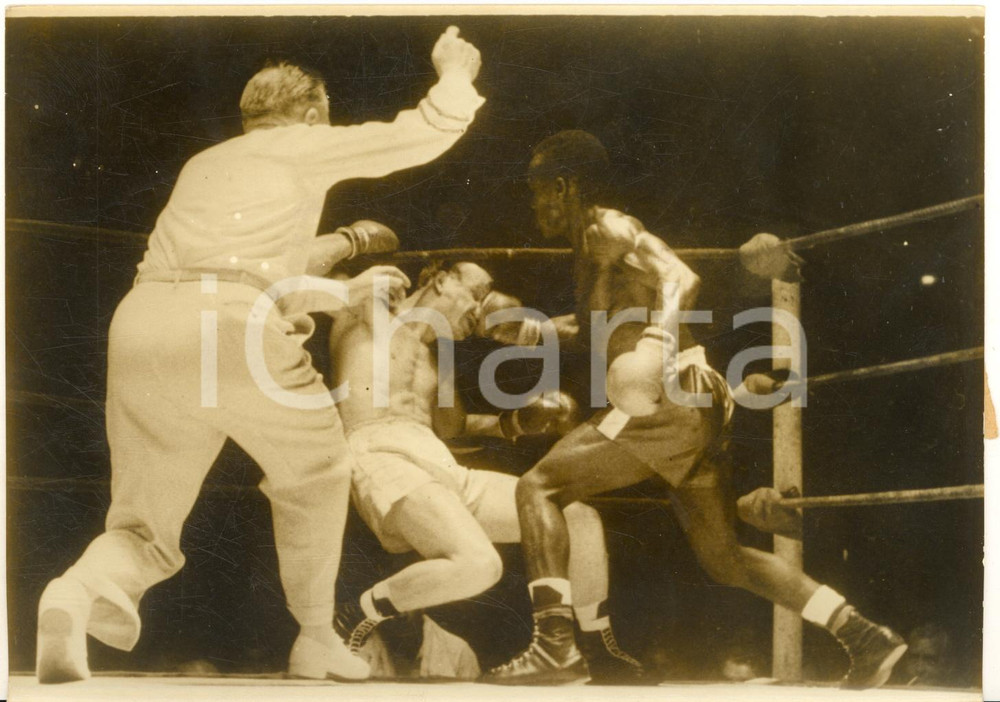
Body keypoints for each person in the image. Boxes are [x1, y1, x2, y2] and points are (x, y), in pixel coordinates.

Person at [34, 26, 484, 684]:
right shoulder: (300, 142)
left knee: (144, 529)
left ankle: (73, 593)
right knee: (321, 472)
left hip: (143, 324)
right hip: (232, 325)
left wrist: (334, 291)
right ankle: (313, 636)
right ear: (307, 116)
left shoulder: (204, 165)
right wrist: (455, 74)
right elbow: (426, 131)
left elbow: (245, 266)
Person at [482, 130, 907, 688]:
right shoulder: (591, 248)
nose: (534, 205)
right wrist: (533, 335)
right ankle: (864, 635)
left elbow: (682, 276)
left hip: (665, 400)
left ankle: (555, 646)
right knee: (724, 559)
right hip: (692, 406)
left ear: (563, 186)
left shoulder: (605, 226)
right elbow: (599, 330)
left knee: (536, 487)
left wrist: (656, 347)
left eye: (538, 192)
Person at [326, 261, 609, 678]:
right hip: (380, 450)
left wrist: (513, 422)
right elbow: (304, 286)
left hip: (439, 460)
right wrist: (357, 249)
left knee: (576, 516)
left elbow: (453, 428)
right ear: (442, 279)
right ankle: (353, 616)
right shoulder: (366, 309)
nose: (482, 306)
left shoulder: (438, 358)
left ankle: (583, 648)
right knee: (479, 565)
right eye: (477, 292)